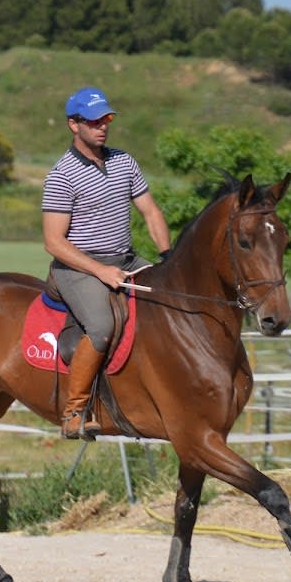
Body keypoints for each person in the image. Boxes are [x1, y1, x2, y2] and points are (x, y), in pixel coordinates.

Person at [42, 87, 172, 440]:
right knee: (100, 326)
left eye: (107, 119)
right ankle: (74, 411)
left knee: (171, 297)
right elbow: (53, 242)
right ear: (74, 125)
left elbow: (149, 209)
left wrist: (166, 256)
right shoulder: (62, 175)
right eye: (94, 121)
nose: (103, 127)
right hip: (79, 268)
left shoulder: (124, 162)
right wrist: (100, 271)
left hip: (126, 258)